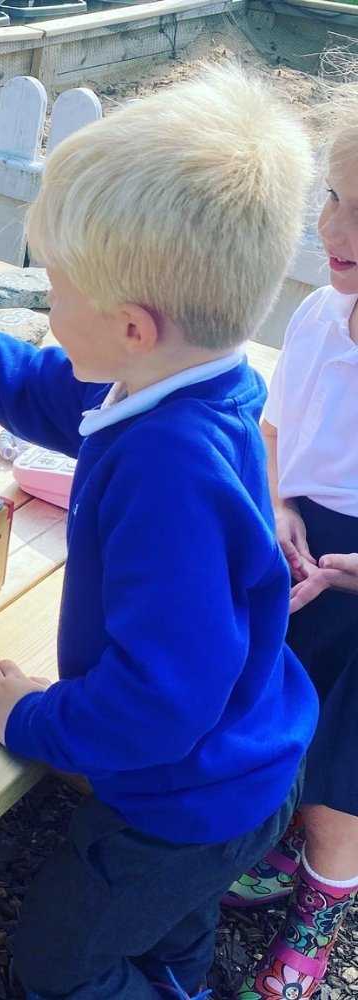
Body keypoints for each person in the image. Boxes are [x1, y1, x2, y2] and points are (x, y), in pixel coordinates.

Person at [0, 65, 319, 1000]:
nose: (46, 307)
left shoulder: (166, 465)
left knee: (64, 963)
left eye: (57, 290)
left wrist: (32, 718)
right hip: (239, 765)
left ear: (134, 326)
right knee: (174, 927)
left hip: (175, 800)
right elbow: (23, 385)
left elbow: (158, 705)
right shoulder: (183, 380)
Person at [223, 83, 358, 1000]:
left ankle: (326, 897)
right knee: (283, 715)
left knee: (345, 764)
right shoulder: (318, 319)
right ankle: (289, 847)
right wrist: (279, 506)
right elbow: (278, 434)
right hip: (305, 548)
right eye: (338, 196)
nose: (335, 226)